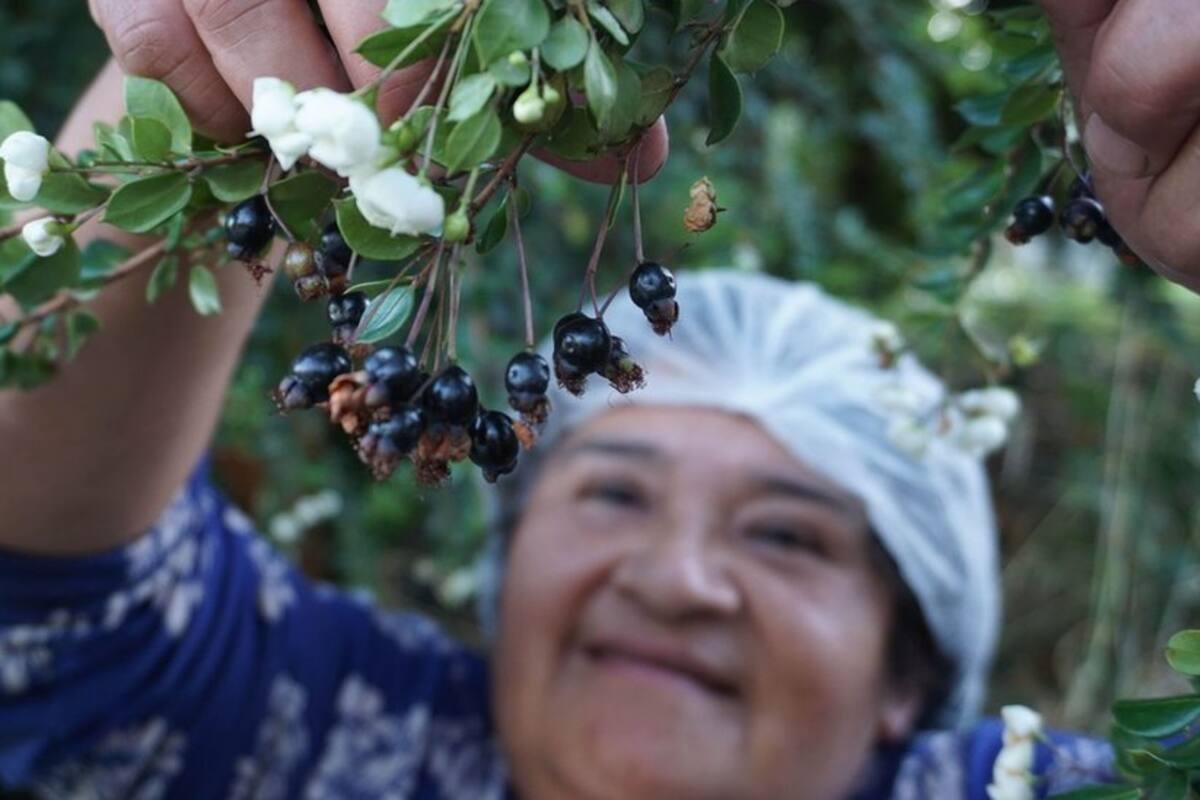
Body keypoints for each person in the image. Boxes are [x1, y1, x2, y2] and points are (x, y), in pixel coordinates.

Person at [1, 0, 1197, 797]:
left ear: (906, 677)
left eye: (786, 533)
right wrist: (267, 59)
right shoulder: (344, 735)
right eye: (616, 492)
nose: (675, 579)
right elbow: (45, 583)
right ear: (504, 574)